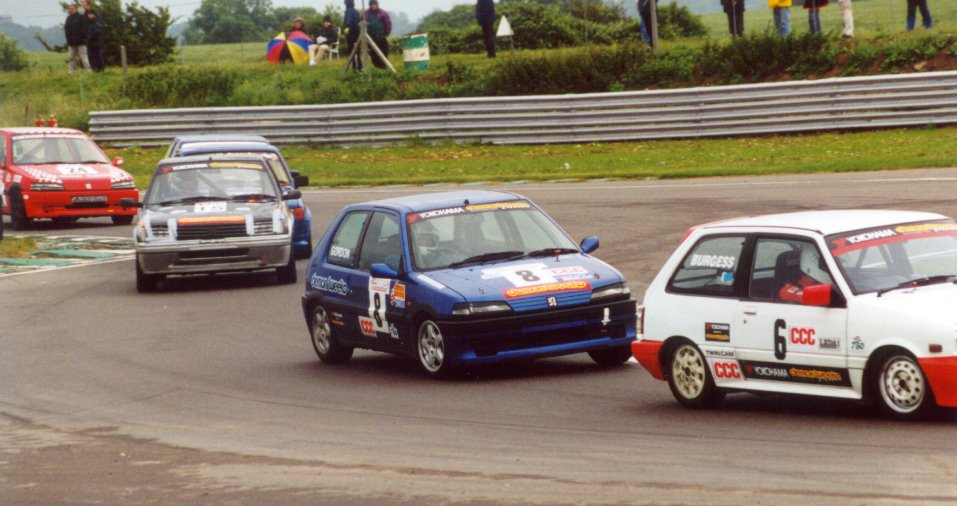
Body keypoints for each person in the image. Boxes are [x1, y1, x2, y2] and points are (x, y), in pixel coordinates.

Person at [64, 3, 91, 74]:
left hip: (81, 42)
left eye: (72, 9)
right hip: (71, 42)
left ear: (76, 9)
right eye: (69, 9)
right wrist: (68, 40)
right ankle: (71, 71)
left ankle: (88, 70)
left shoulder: (81, 17)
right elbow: (66, 29)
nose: (70, 10)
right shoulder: (68, 18)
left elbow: (85, 29)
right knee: (71, 57)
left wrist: (83, 39)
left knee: (83, 57)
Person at [364, 0, 391, 69]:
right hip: (370, 38)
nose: (373, 6)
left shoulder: (383, 13)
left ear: (377, 5)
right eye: (372, 4)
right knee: (373, 54)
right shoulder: (366, 13)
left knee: (384, 52)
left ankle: (384, 66)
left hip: (381, 37)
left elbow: (388, 23)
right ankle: (377, 67)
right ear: (370, 5)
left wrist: (387, 33)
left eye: (375, 4)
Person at [343, 0, 361, 71]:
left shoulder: (348, 11)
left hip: (351, 34)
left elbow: (348, 23)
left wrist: (345, 31)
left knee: (352, 51)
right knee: (357, 51)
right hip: (358, 33)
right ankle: (359, 66)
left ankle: (356, 67)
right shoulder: (356, 11)